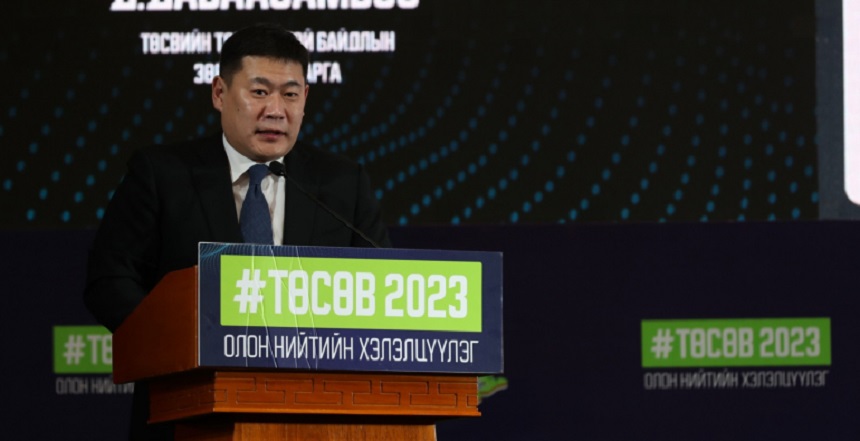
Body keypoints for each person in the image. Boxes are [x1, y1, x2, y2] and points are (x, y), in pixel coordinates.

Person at [84, 23, 390, 440]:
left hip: (315, 414)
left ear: (305, 98)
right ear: (219, 93)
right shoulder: (162, 175)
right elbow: (110, 280)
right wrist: (179, 347)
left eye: (290, 94)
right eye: (259, 92)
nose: (276, 110)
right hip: (188, 411)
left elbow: (378, 293)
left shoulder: (343, 185)